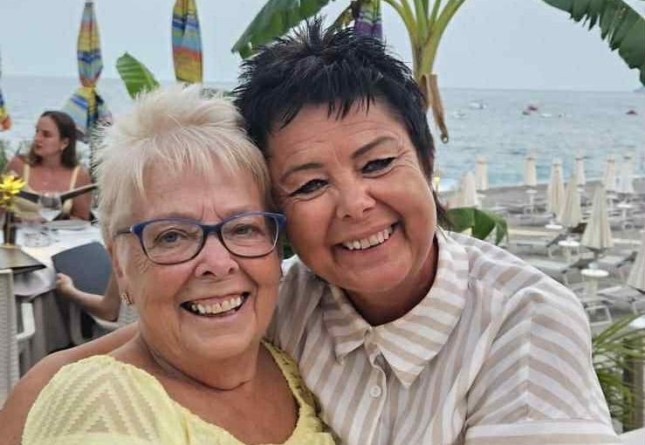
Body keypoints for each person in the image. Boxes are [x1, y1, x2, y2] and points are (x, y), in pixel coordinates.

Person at [0, 22, 619, 445]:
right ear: (281, 215)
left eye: (378, 163)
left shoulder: (523, 323)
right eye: (310, 184)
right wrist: (38, 395)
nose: (355, 204)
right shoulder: (285, 298)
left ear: (428, 162)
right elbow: (132, 354)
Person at [16, 86, 335, 445]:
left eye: (243, 228)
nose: (218, 263)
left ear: (276, 251)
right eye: (172, 236)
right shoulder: (102, 404)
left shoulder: (292, 364)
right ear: (120, 266)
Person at [5, 110, 92, 220]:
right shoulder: (18, 166)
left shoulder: (79, 176)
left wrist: (55, 223)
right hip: (20, 230)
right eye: (37, 131)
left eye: (46, 135)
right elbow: (1, 208)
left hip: (60, 231)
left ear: (64, 143)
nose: (37, 138)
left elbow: (82, 219)